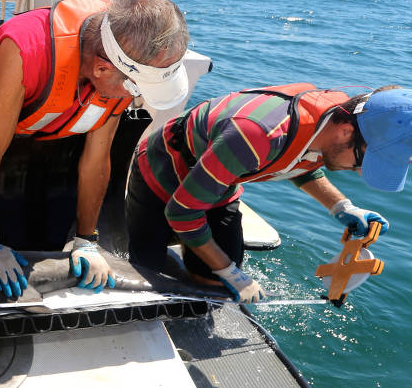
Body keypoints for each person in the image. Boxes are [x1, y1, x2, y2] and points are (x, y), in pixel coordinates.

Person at [0, 0, 191, 298]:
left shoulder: (119, 60)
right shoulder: (25, 52)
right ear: (101, 68)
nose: (135, 97)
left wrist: (87, 239)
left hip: (53, 135)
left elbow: (97, 159)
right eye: (136, 88)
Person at [127, 83, 410, 303]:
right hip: (163, 170)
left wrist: (341, 206)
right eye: (362, 162)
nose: (360, 173)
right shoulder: (257, 135)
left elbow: (299, 162)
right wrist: (231, 272)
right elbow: (182, 212)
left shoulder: (338, 122)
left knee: (216, 284)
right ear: (346, 132)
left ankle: (191, 257)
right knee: (147, 274)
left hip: (219, 181)